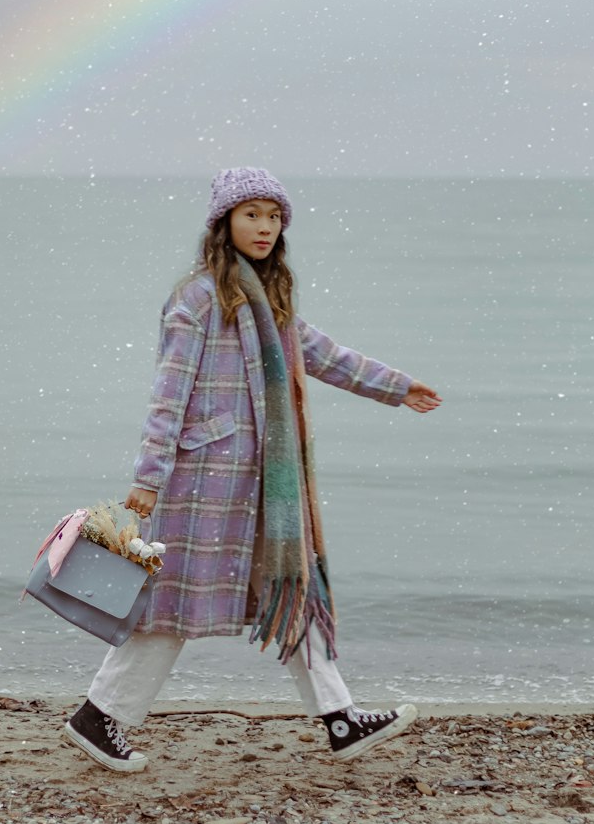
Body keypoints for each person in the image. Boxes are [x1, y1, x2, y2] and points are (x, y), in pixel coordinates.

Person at [64, 167, 441, 773]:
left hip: (265, 488)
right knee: (172, 607)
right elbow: (169, 394)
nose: (264, 228)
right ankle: (98, 717)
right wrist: (147, 479)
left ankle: (340, 719)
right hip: (202, 486)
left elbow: (322, 354)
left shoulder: (269, 302)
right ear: (224, 223)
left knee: (292, 589)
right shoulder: (195, 300)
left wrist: (396, 387)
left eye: (273, 217)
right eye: (251, 215)